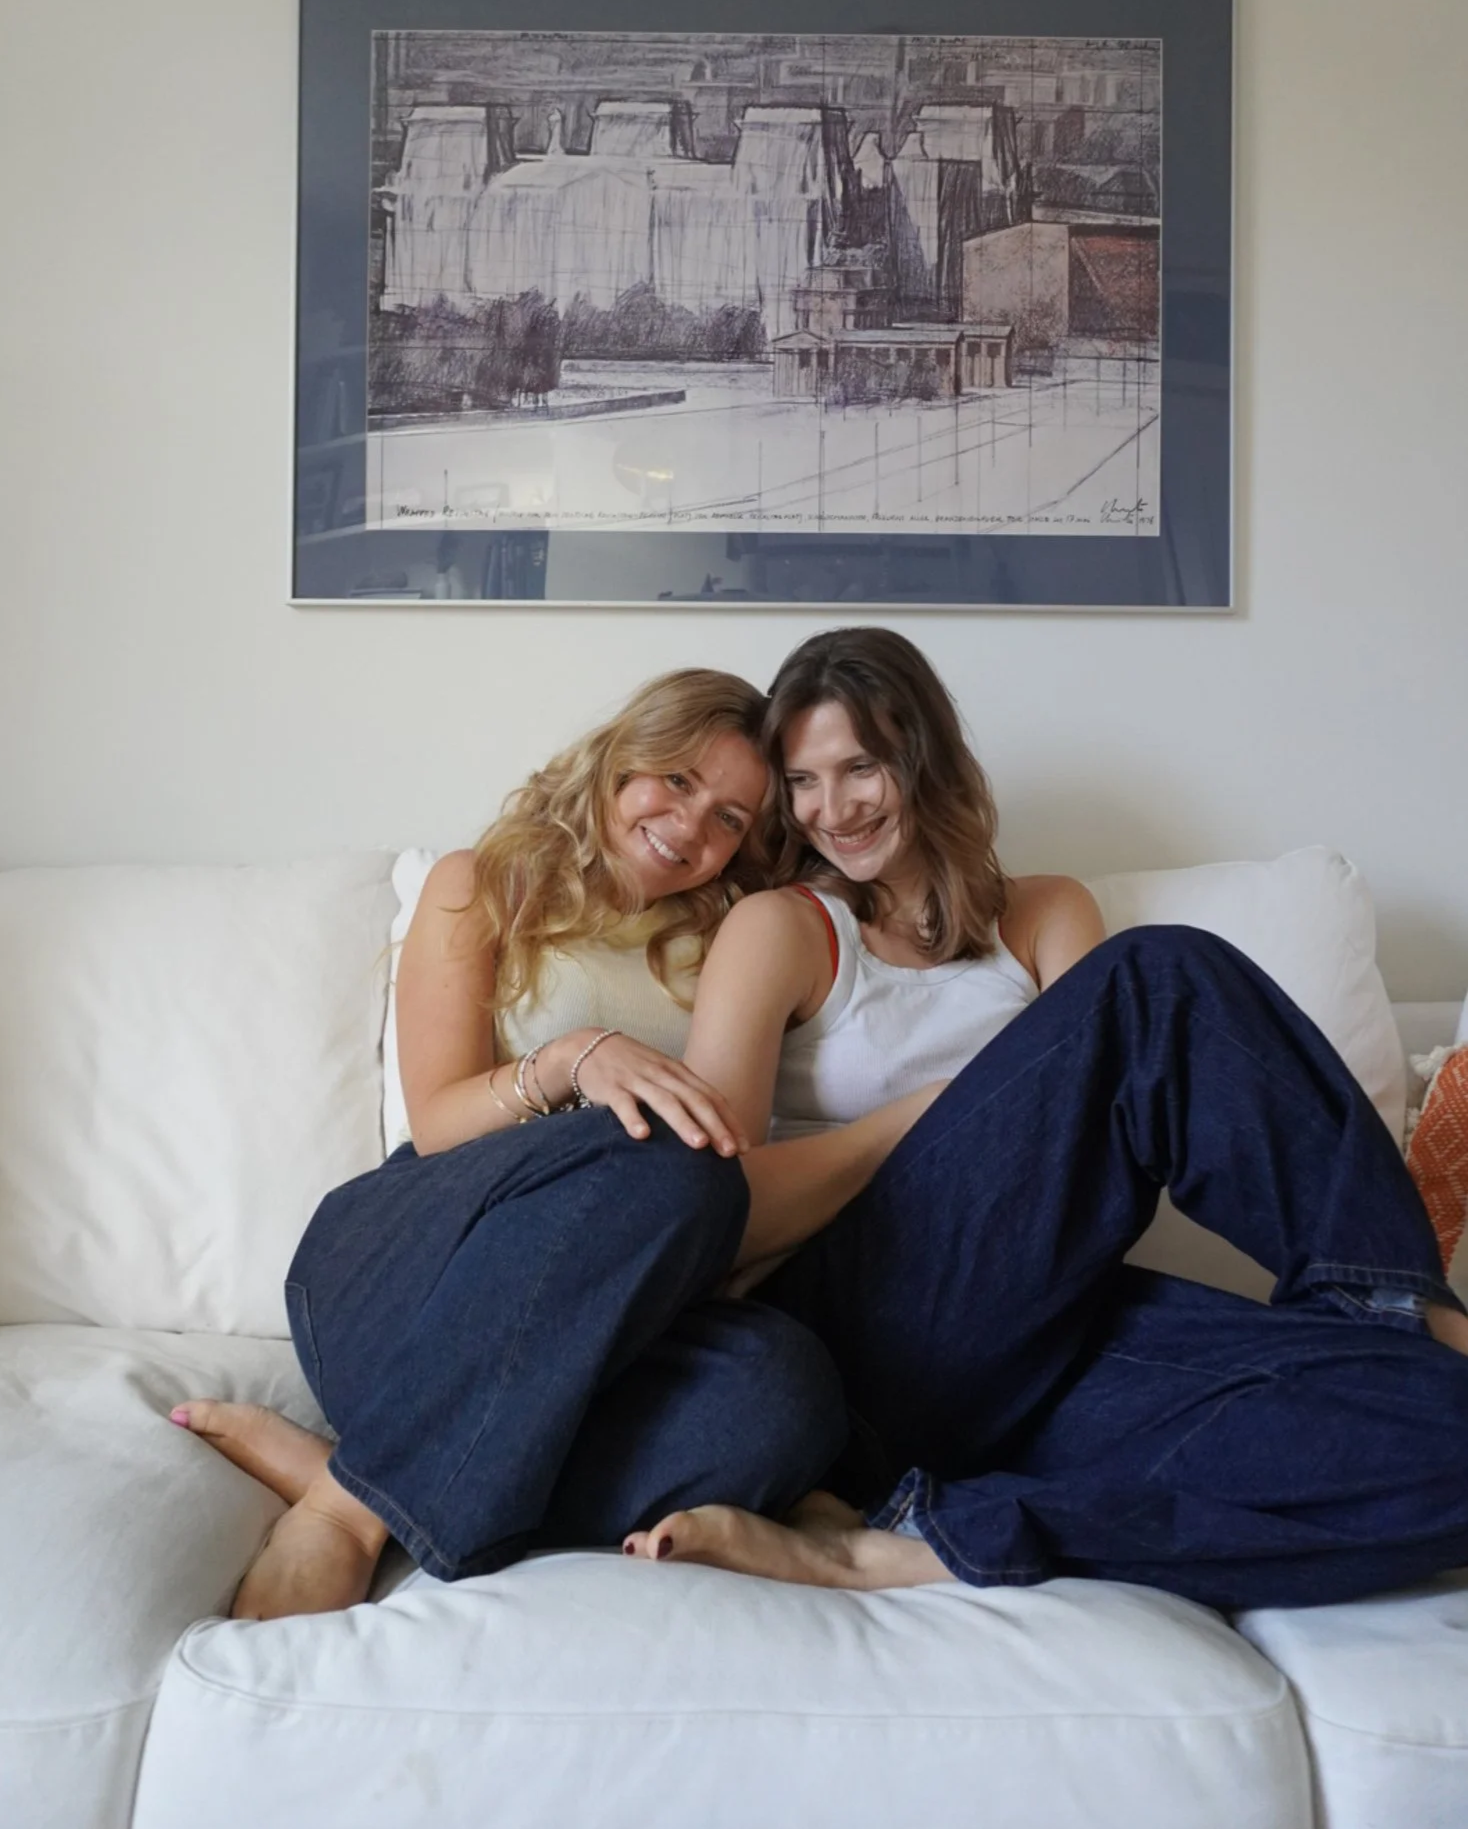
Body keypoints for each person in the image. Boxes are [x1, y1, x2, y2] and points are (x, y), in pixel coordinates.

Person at [620, 627, 1468, 1609]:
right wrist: (930, 1113)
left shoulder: (1044, 914)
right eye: (803, 782)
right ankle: (1406, 1307)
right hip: (864, 1326)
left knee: (1446, 1430)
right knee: (1160, 979)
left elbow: (1097, 1140)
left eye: (860, 767)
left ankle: (924, 1541)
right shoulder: (784, 928)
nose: (831, 809)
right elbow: (714, 1211)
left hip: (1044, 1329)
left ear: (925, 756)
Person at [175, 667, 845, 1618]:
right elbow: (437, 1122)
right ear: (621, 761)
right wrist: (574, 1061)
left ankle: (365, 1471)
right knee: (669, 1150)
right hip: (407, 1274)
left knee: (787, 1397)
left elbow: (722, 1174)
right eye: (678, 781)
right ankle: (345, 1516)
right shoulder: (483, 882)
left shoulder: (735, 935)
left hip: (577, 1337)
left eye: (730, 818)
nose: (692, 825)